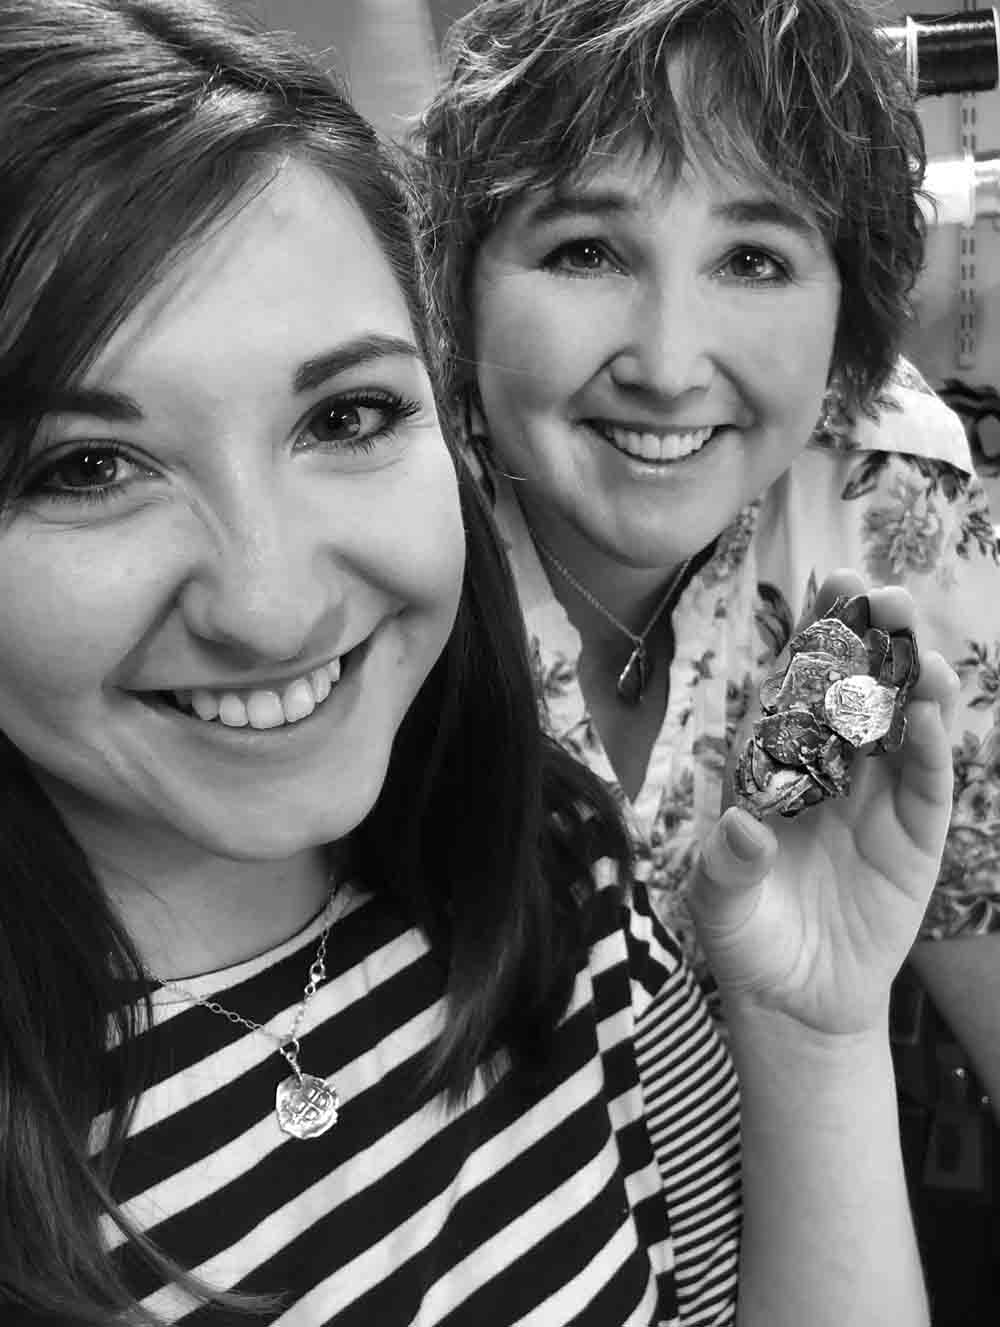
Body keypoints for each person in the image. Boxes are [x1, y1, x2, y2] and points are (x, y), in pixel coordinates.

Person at [0, 3, 959, 1325]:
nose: (274, 608)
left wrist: (815, 1029)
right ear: (457, 302)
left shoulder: (556, 875)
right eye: (85, 465)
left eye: (344, 414)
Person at [414, 0, 1000, 1096]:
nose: (670, 363)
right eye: (585, 249)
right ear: (458, 289)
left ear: (844, 312)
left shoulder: (885, 502)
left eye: (753, 260)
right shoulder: (377, 526)